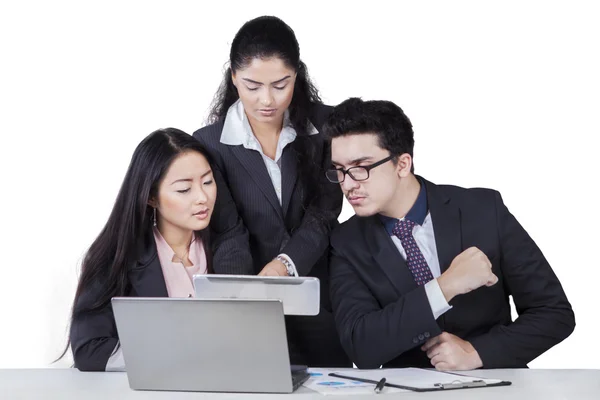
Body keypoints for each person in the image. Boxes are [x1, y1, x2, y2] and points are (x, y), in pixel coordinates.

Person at [323, 97, 575, 370]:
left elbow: (554, 313)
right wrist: (444, 287)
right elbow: (361, 346)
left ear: (402, 164)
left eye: (361, 168)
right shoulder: (346, 242)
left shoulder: (482, 210)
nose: (347, 184)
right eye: (339, 170)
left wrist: (477, 353)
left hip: (496, 386)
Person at [193, 16, 350, 367]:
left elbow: (324, 214)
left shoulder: (327, 127)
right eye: (252, 86)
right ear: (233, 77)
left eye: (281, 84)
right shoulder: (208, 143)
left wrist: (283, 266)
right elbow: (228, 231)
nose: (267, 100)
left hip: (319, 295)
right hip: (248, 303)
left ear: (298, 74)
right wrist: (246, 299)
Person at [69, 128, 217, 371]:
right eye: (184, 189)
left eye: (208, 182)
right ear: (151, 197)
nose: (202, 197)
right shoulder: (116, 256)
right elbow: (89, 348)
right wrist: (174, 356)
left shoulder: (229, 247)